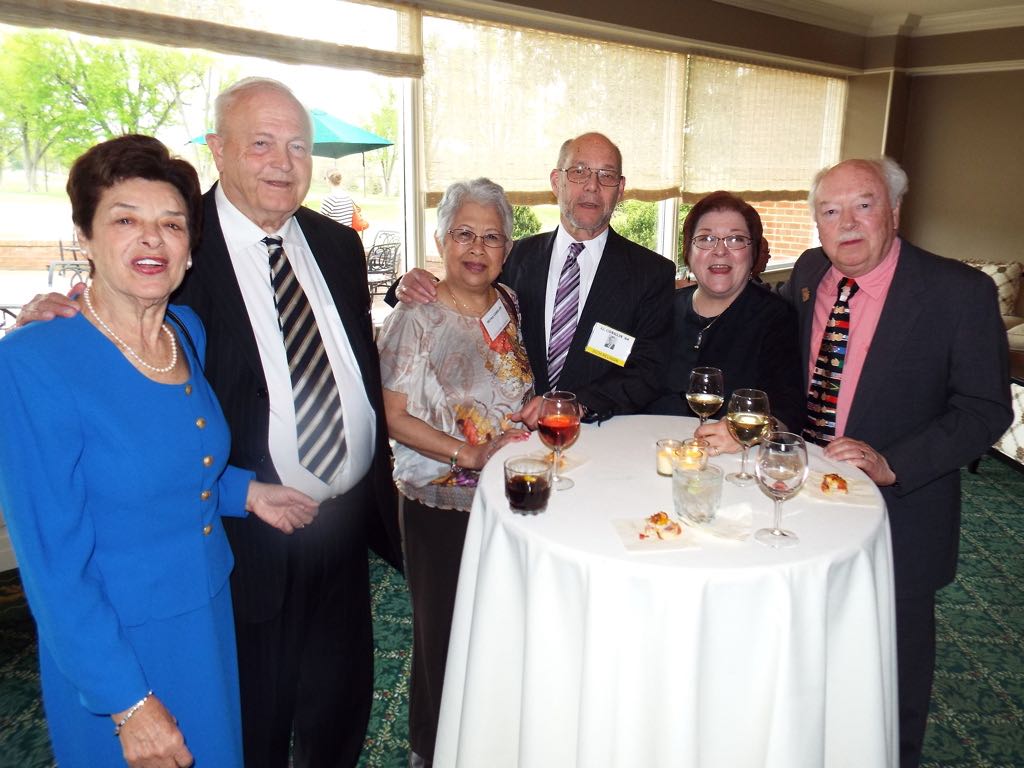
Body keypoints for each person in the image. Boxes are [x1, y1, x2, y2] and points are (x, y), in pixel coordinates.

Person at [16, 78, 402, 768]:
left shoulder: (333, 248)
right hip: (240, 562)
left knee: (339, 710)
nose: (283, 162)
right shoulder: (177, 258)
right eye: (260, 144)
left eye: (297, 146)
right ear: (218, 150)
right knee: (249, 731)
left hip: (334, 529)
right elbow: (113, 318)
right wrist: (60, 301)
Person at [0, 135, 318, 768]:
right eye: (125, 220)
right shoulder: (34, 362)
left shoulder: (183, 332)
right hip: (115, 642)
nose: (152, 240)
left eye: (171, 224)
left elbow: (180, 458)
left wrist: (244, 491)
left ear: (189, 248)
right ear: (84, 238)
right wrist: (128, 703)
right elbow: (52, 566)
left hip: (204, 615)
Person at [780, 157, 1011, 767]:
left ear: (895, 211)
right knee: (805, 652)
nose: (847, 224)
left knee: (892, 678)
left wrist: (893, 462)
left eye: (864, 204)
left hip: (900, 515)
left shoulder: (959, 293)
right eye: (830, 211)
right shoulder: (808, 274)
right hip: (803, 499)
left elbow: (986, 409)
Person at [378, 178, 533, 767]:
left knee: (496, 629)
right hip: (439, 503)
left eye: (491, 237)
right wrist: (466, 454)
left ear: (507, 249)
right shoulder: (415, 317)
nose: (477, 247)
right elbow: (392, 417)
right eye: (464, 233)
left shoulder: (509, 303)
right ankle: (431, 748)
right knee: (441, 635)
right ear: (441, 239)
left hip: (506, 499)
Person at [394, 132, 675, 424]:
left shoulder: (651, 273)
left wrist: (575, 405)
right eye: (578, 172)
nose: (592, 186)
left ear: (621, 188)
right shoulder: (511, 256)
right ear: (556, 181)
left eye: (606, 175)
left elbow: (648, 371)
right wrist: (410, 283)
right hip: (510, 432)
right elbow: (460, 290)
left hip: (598, 433)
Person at [645, 191, 804, 451]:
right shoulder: (663, 307)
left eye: (736, 239)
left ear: (754, 252)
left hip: (731, 464)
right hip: (653, 450)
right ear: (689, 249)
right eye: (706, 238)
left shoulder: (775, 317)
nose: (720, 251)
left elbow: (790, 412)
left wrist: (751, 432)